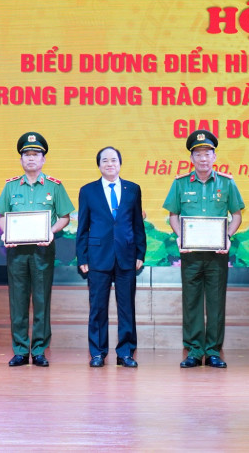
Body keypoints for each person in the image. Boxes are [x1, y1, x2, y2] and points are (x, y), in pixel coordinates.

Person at [163, 130, 244, 368]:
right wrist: (181, 236)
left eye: (207, 153)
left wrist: (227, 237)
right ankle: (195, 351)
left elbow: (237, 216)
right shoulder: (180, 183)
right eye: (198, 154)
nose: (203, 158)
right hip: (191, 254)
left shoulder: (227, 183)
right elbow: (173, 215)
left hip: (217, 255)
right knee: (192, 302)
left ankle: (213, 351)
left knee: (216, 303)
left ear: (214, 157)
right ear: (191, 158)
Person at [0, 132, 74, 367]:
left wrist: (51, 231)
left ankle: (39, 350)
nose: (31, 158)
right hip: (16, 252)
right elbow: (1, 216)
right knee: (18, 300)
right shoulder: (11, 186)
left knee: (41, 300)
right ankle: (20, 350)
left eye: (36, 154)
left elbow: (65, 217)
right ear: (21, 159)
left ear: (43, 159)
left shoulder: (54, 186)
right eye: (27, 154)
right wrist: (5, 233)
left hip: (42, 250)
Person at [76, 147, 147, 368]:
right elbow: (83, 226)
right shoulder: (88, 191)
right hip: (98, 256)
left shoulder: (133, 189)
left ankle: (125, 353)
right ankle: (97, 353)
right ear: (99, 165)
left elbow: (137, 224)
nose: (109, 164)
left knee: (127, 308)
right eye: (105, 160)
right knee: (97, 308)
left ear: (120, 163)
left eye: (114, 160)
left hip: (127, 255)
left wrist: (140, 252)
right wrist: (82, 257)